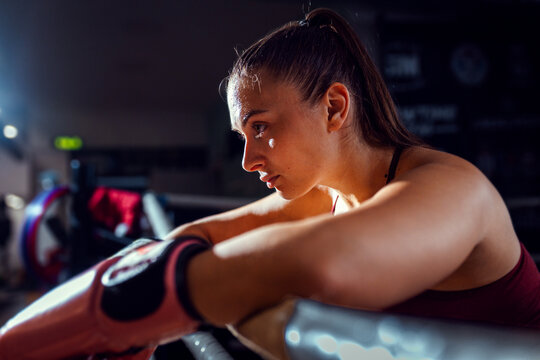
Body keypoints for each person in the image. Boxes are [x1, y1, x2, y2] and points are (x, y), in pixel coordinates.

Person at [1, 7, 539, 360]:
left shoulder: (452, 189)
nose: (247, 158)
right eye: (241, 135)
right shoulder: (326, 199)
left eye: (261, 127)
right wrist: (150, 292)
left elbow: (327, 265)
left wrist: (145, 307)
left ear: (333, 107)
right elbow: (198, 237)